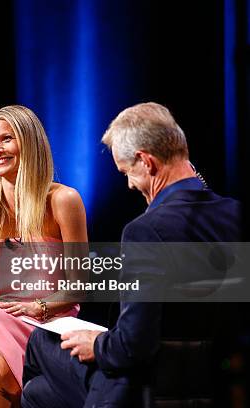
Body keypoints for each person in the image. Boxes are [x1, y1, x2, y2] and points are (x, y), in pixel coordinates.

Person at [21, 102, 241, 407]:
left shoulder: (146, 230)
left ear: (146, 162)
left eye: (127, 172)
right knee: (39, 392)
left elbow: (133, 346)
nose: (129, 184)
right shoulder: (235, 214)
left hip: (145, 386)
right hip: (218, 383)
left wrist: (95, 343)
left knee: (40, 342)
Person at [0, 105, 88, 407]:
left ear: (30, 143)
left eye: (6, 139)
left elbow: (80, 286)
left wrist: (36, 307)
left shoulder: (64, 200)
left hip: (49, 324)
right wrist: (13, 309)